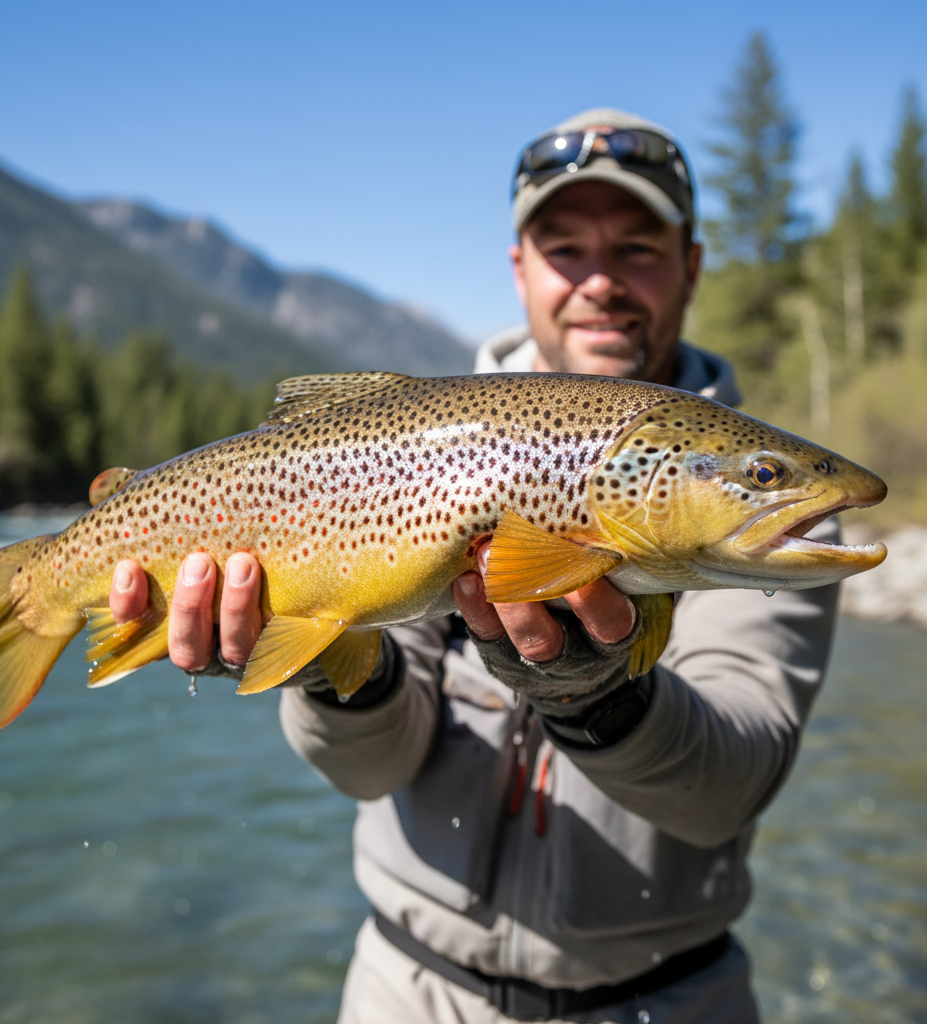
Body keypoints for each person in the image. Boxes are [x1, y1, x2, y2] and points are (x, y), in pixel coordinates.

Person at [109, 108, 838, 1023]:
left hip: (668, 1002)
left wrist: (594, 693)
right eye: (566, 247)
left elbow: (724, 791)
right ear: (520, 268)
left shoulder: (754, 521)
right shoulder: (422, 451)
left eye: (639, 248)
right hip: (409, 993)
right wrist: (341, 665)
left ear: (692, 265)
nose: (601, 281)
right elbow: (376, 768)